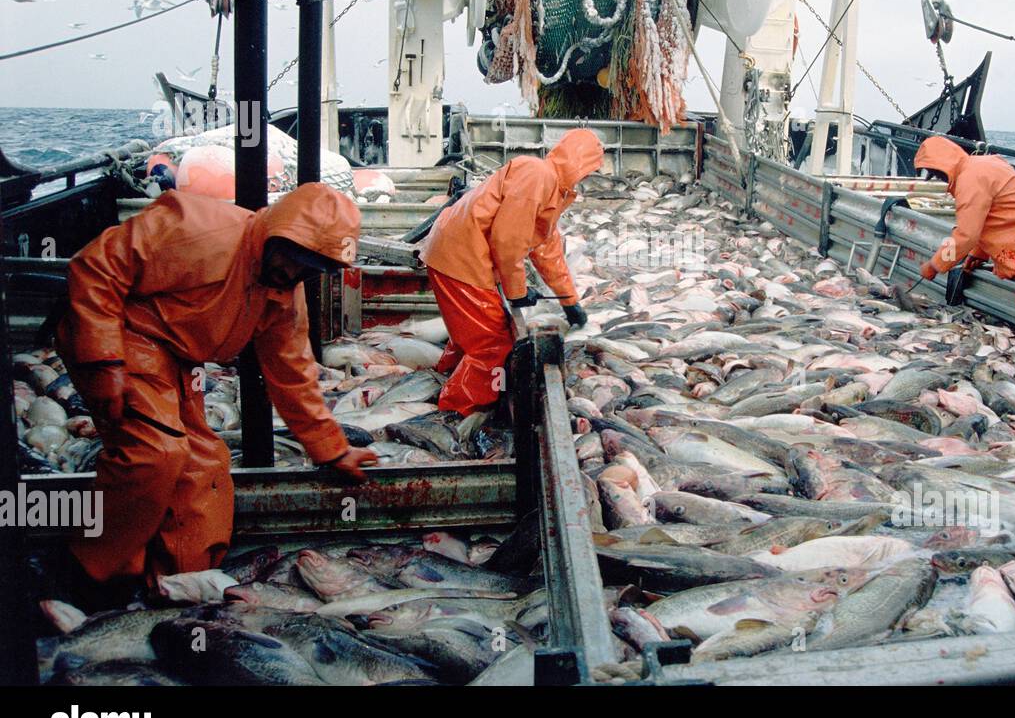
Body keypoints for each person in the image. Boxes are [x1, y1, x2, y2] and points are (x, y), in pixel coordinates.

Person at [54, 182, 377, 598]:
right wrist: (104, 361)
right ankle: (85, 574)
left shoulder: (282, 295)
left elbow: (292, 373)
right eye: (292, 257)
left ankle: (175, 584)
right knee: (155, 453)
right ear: (275, 232)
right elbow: (94, 267)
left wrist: (332, 448)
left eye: (310, 267)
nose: (293, 272)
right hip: (122, 333)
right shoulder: (197, 226)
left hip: (177, 359)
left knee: (205, 466)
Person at [420, 128, 604, 416]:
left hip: (456, 251)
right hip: (462, 256)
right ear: (577, 164)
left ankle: (442, 379)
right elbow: (507, 240)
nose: (586, 178)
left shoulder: (553, 188)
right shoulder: (537, 175)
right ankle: (456, 411)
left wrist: (570, 301)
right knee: (492, 343)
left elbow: (546, 248)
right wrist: (517, 293)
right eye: (588, 171)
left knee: (472, 331)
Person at [913, 135, 1015, 293]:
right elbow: (993, 215)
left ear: (942, 165)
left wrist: (935, 265)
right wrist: (978, 254)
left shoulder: (969, 180)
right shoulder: (982, 164)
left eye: (936, 174)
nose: (940, 179)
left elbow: (965, 235)